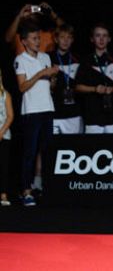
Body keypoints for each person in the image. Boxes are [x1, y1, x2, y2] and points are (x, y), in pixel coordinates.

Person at [14, 21, 58, 206]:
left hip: (47, 108)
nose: (38, 41)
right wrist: (41, 74)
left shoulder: (45, 57)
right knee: (30, 152)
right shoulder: (20, 60)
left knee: (46, 151)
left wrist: (53, 76)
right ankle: (26, 191)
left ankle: (45, 188)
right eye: (33, 38)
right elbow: (22, 86)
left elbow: (50, 86)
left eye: (39, 37)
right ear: (24, 41)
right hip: (31, 111)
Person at [75, 24, 113, 134]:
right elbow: (78, 87)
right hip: (93, 117)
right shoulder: (86, 61)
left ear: (109, 39)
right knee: (92, 149)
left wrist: (112, 89)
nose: (101, 39)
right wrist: (95, 89)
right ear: (92, 39)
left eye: (104, 36)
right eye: (98, 36)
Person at [49, 24, 82, 134]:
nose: (65, 41)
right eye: (62, 37)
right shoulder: (47, 58)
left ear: (72, 40)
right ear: (56, 39)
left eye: (69, 37)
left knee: (73, 147)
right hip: (54, 112)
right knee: (52, 149)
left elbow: (81, 85)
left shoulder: (78, 59)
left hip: (73, 114)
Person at [0, 70, 14, 206]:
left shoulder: (5, 95)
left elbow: (10, 116)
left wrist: (1, 132)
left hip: (4, 136)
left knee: (3, 166)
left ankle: (3, 195)